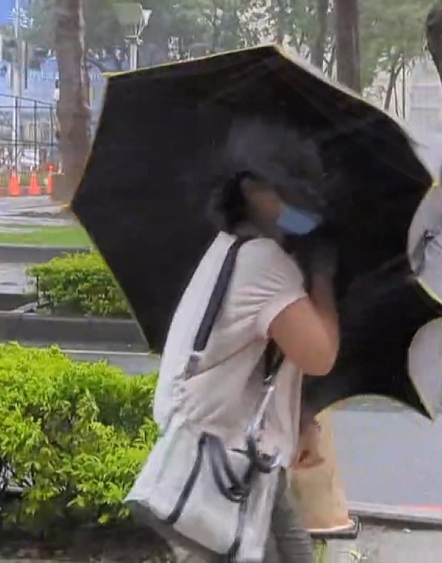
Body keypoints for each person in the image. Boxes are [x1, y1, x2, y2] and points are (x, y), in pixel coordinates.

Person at [153, 118, 339, 563]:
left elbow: (264, 357)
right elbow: (320, 355)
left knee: (295, 552)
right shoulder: (262, 261)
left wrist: (303, 418)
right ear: (251, 191)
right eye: (288, 192)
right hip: (222, 457)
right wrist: (323, 276)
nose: (299, 206)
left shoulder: (230, 247)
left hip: (242, 451)